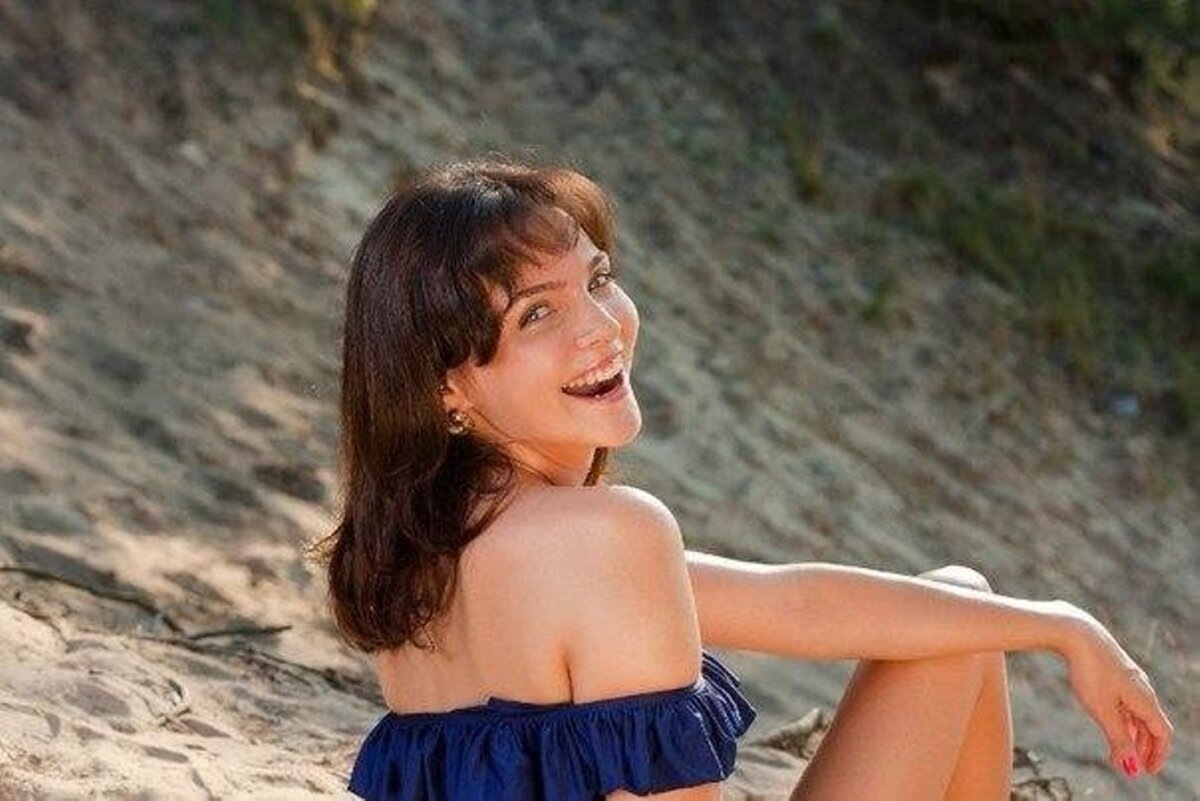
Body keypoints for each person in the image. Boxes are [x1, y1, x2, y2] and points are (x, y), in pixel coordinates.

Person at [317, 159, 1174, 800]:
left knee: (957, 608)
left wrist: (1064, 627)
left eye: (599, 280)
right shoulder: (606, 534)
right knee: (961, 632)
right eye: (537, 312)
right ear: (448, 387)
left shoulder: (424, 547)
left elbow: (795, 603)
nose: (601, 327)